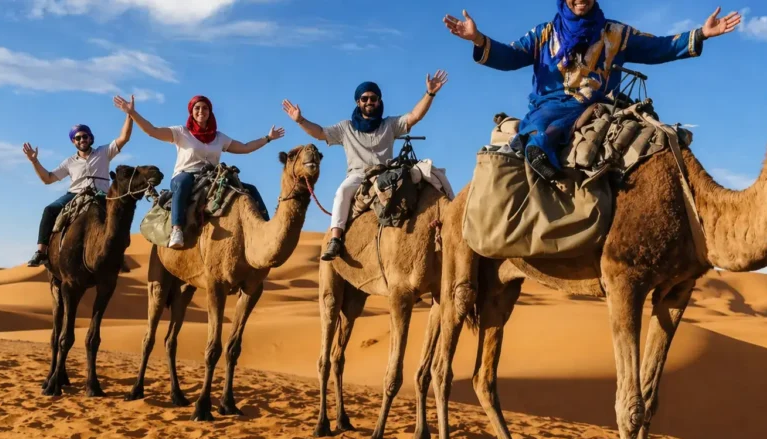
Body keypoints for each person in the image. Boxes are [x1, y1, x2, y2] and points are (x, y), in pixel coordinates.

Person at [443, 1, 741, 182]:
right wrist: (479, 39)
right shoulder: (544, 34)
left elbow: (658, 47)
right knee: (544, 115)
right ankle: (538, 149)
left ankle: (539, 147)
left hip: (593, 105)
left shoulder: (616, 34)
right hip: (546, 104)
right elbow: (510, 56)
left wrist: (701, 33)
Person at [282, 70, 448, 261]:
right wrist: (300, 120)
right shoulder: (345, 128)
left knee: (423, 185)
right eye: (365, 98)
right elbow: (320, 133)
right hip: (358, 176)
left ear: (379, 101)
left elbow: (414, 116)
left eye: (373, 98)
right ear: (358, 102)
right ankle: (335, 238)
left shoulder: (389, 125)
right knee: (342, 193)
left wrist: (430, 94)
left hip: (386, 174)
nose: (369, 102)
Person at [113, 94, 285, 249]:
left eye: (205, 108)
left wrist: (268, 138)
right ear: (191, 111)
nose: (201, 111)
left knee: (250, 189)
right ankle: (177, 229)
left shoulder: (219, 137)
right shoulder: (181, 133)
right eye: (197, 108)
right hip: (185, 175)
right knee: (183, 183)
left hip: (213, 177)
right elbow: (153, 131)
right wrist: (132, 113)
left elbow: (246, 148)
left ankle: (266, 228)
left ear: (210, 112)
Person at [23, 106, 134, 267]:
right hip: (75, 194)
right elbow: (47, 179)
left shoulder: (104, 152)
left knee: (119, 215)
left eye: (85, 136)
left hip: (101, 194)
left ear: (90, 138)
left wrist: (129, 114)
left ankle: (118, 254)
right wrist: (34, 161)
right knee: (49, 210)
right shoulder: (69, 162)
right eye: (78, 138)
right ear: (73, 141)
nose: (82, 140)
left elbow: (124, 137)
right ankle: (41, 252)